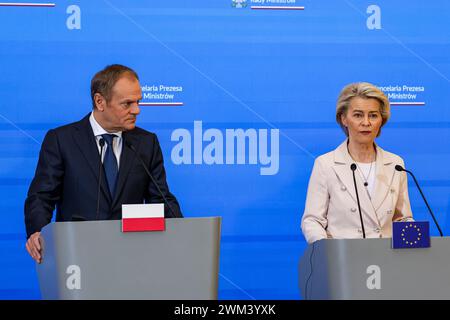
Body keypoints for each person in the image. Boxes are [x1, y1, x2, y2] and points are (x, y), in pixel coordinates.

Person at [25, 64, 182, 263]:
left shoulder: (146, 143)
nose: (137, 110)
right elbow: (41, 196)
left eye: (138, 102)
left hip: (131, 258)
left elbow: (161, 199)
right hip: (76, 257)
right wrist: (38, 232)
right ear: (100, 101)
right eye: (127, 104)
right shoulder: (62, 140)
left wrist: (183, 234)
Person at [301, 82, 413, 244]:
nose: (366, 122)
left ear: (381, 120)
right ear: (344, 119)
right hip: (343, 261)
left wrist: (413, 239)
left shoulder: (396, 163)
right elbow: (312, 220)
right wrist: (327, 253)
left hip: (388, 261)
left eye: (373, 115)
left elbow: (402, 218)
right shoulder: (326, 164)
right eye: (358, 115)